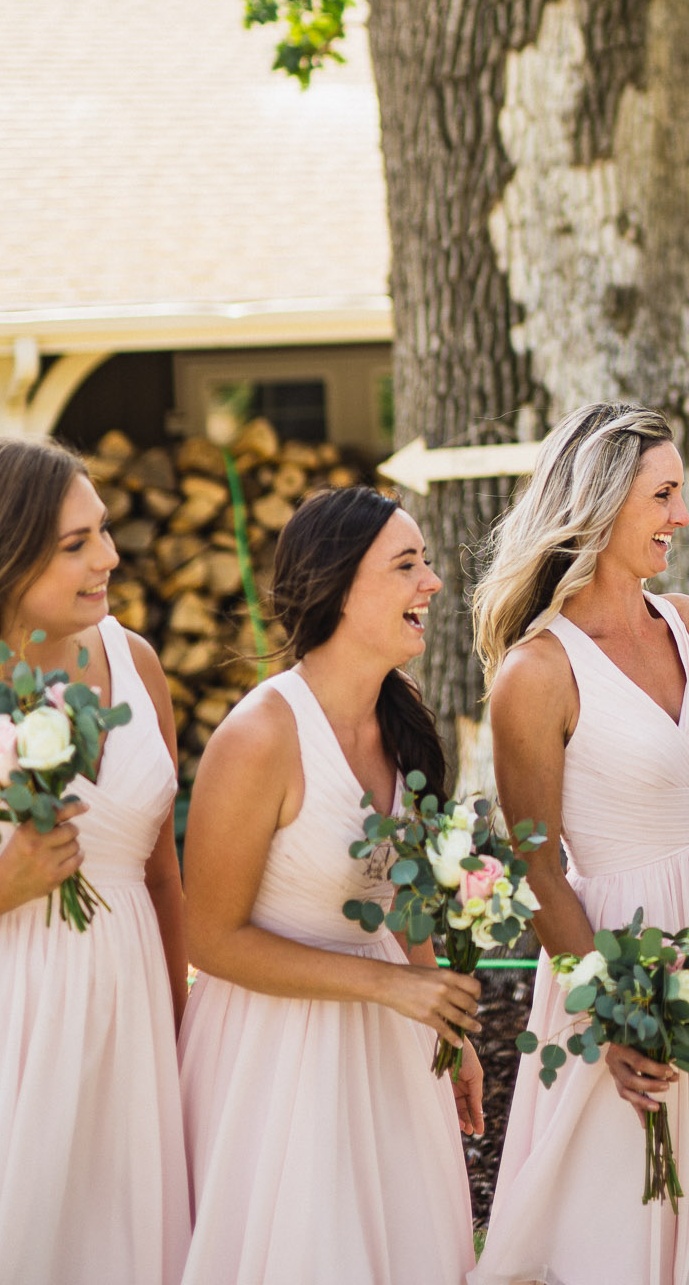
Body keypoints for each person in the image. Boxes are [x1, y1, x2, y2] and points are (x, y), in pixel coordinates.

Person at [470, 403, 689, 1285]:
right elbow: (535, 866)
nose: (682, 515)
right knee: (621, 1210)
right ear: (598, 501)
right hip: (617, 951)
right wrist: (609, 1015)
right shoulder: (537, 671)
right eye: (662, 495)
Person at [179, 484, 479, 1285]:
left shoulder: (404, 721)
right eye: (407, 565)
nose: (432, 583)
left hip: (388, 1042)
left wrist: (444, 1024)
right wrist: (391, 986)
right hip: (274, 1056)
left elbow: (405, 892)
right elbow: (211, 940)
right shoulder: (259, 736)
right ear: (340, 587)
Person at [0, 434, 189, 1285]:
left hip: (130, 1019)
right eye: (76, 543)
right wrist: (0, 885)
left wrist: (180, 1026)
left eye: (106, 531)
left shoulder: (137, 663)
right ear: (4, 557)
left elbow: (162, 875)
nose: (109, 557)